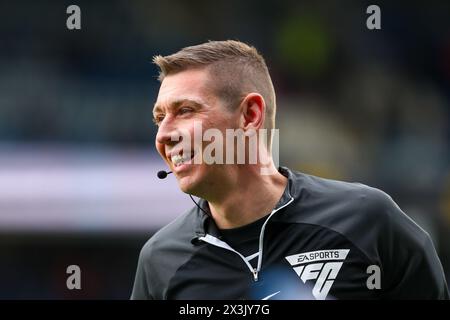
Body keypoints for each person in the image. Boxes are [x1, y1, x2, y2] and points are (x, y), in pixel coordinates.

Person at [131, 40, 449, 300]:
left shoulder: (369, 219)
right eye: (159, 119)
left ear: (250, 115)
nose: (163, 135)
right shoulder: (159, 260)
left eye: (185, 111)